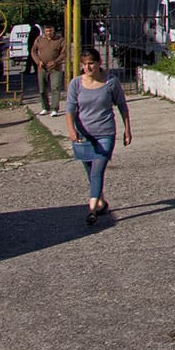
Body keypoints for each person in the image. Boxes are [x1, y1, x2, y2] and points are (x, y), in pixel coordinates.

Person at [65, 46, 131, 226]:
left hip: (105, 133)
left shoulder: (111, 82)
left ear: (99, 63)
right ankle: (101, 202)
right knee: (89, 171)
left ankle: (92, 210)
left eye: (91, 64)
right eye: (85, 64)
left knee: (97, 170)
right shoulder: (76, 84)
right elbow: (70, 110)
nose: (88, 68)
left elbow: (122, 106)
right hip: (83, 135)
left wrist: (127, 129)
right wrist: (72, 131)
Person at [30, 24, 67, 116]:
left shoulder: (60, 40)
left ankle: (54, 108)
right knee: (42, 89)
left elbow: (64, 53)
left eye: (50, 31)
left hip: (55, 68)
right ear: (44, 31)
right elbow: (33, 51)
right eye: (47, 31)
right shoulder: (39, 39)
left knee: (55, 87)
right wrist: (38, 61)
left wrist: (56, 61)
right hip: (42, 68)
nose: (49, 33)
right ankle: (45, 107)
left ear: (53, 30)